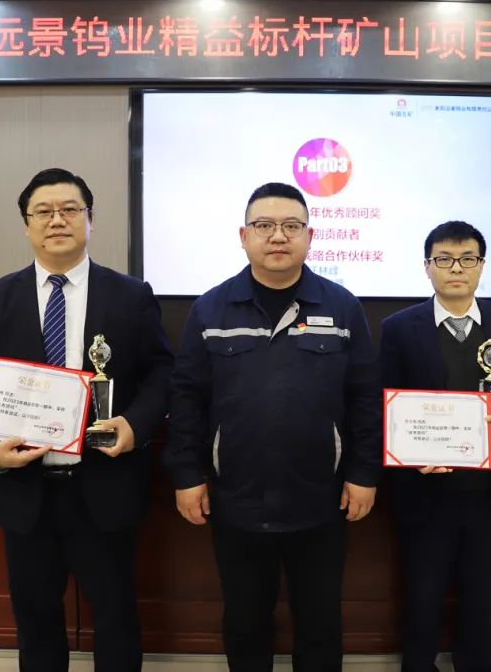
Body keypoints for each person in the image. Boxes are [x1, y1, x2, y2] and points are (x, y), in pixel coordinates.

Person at [0, 167, 173, 672]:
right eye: (44, 212)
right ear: (26, 225)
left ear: (90, 220)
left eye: (70, 210)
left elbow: (163, 373)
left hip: (104, 483)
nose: (57, 220)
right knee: (35, 622)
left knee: (116, 618)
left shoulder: (131, 295)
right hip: (24, 488)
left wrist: (135, 425)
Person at [165, 182, 382, 671]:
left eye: (291, 226)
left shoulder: (342, 307)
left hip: (322, 500)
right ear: (244, 236)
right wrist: (187, 474)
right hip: (236, 499)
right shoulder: (211, 309)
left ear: (310, 236)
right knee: (245, 624)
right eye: (264, 225)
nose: (278, 236)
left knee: (320, 624)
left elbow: (365, 397)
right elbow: (187, 399)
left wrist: (364, 472)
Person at [379, 221, 491, 672]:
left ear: (481, 266)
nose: (456, 268)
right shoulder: (398, 328)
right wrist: (409, 453)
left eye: (467, 259)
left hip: (488, 490)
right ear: (427, 266)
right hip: (424, 488)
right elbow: (380, 399)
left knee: (480, 594)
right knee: (422, 593)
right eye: (444, 259)